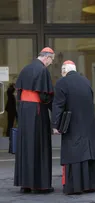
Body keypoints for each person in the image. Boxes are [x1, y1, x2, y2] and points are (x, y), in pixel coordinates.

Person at [51, 60, 95, 195]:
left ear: (64, 71)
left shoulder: (62, 82)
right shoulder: (86, 81)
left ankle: (76, 186)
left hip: (72, 124)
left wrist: (55, 125)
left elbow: (58, 105)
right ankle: (91, 184)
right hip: (88, 123)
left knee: (74, 153)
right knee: (88, 152)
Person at [14, 47, 55, 193]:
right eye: (51, 60)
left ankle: (25, 184)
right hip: (37, 112)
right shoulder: (43, 71)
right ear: (47, 57)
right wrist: (55, 108)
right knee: (39, 146)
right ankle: (40, 185)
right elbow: (45, 96)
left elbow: (19, 94)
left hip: (25, 111)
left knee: (26, 147)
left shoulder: (25, 69)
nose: (51, 63)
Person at [5, 83, 17, 154]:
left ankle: (8, 133)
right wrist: (13, 86)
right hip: (11, 110)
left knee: (10, 122)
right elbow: (9, 91)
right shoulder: (10, 94)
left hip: (11, 110)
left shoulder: (11, 95)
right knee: (10, 122)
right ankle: (8, 133)